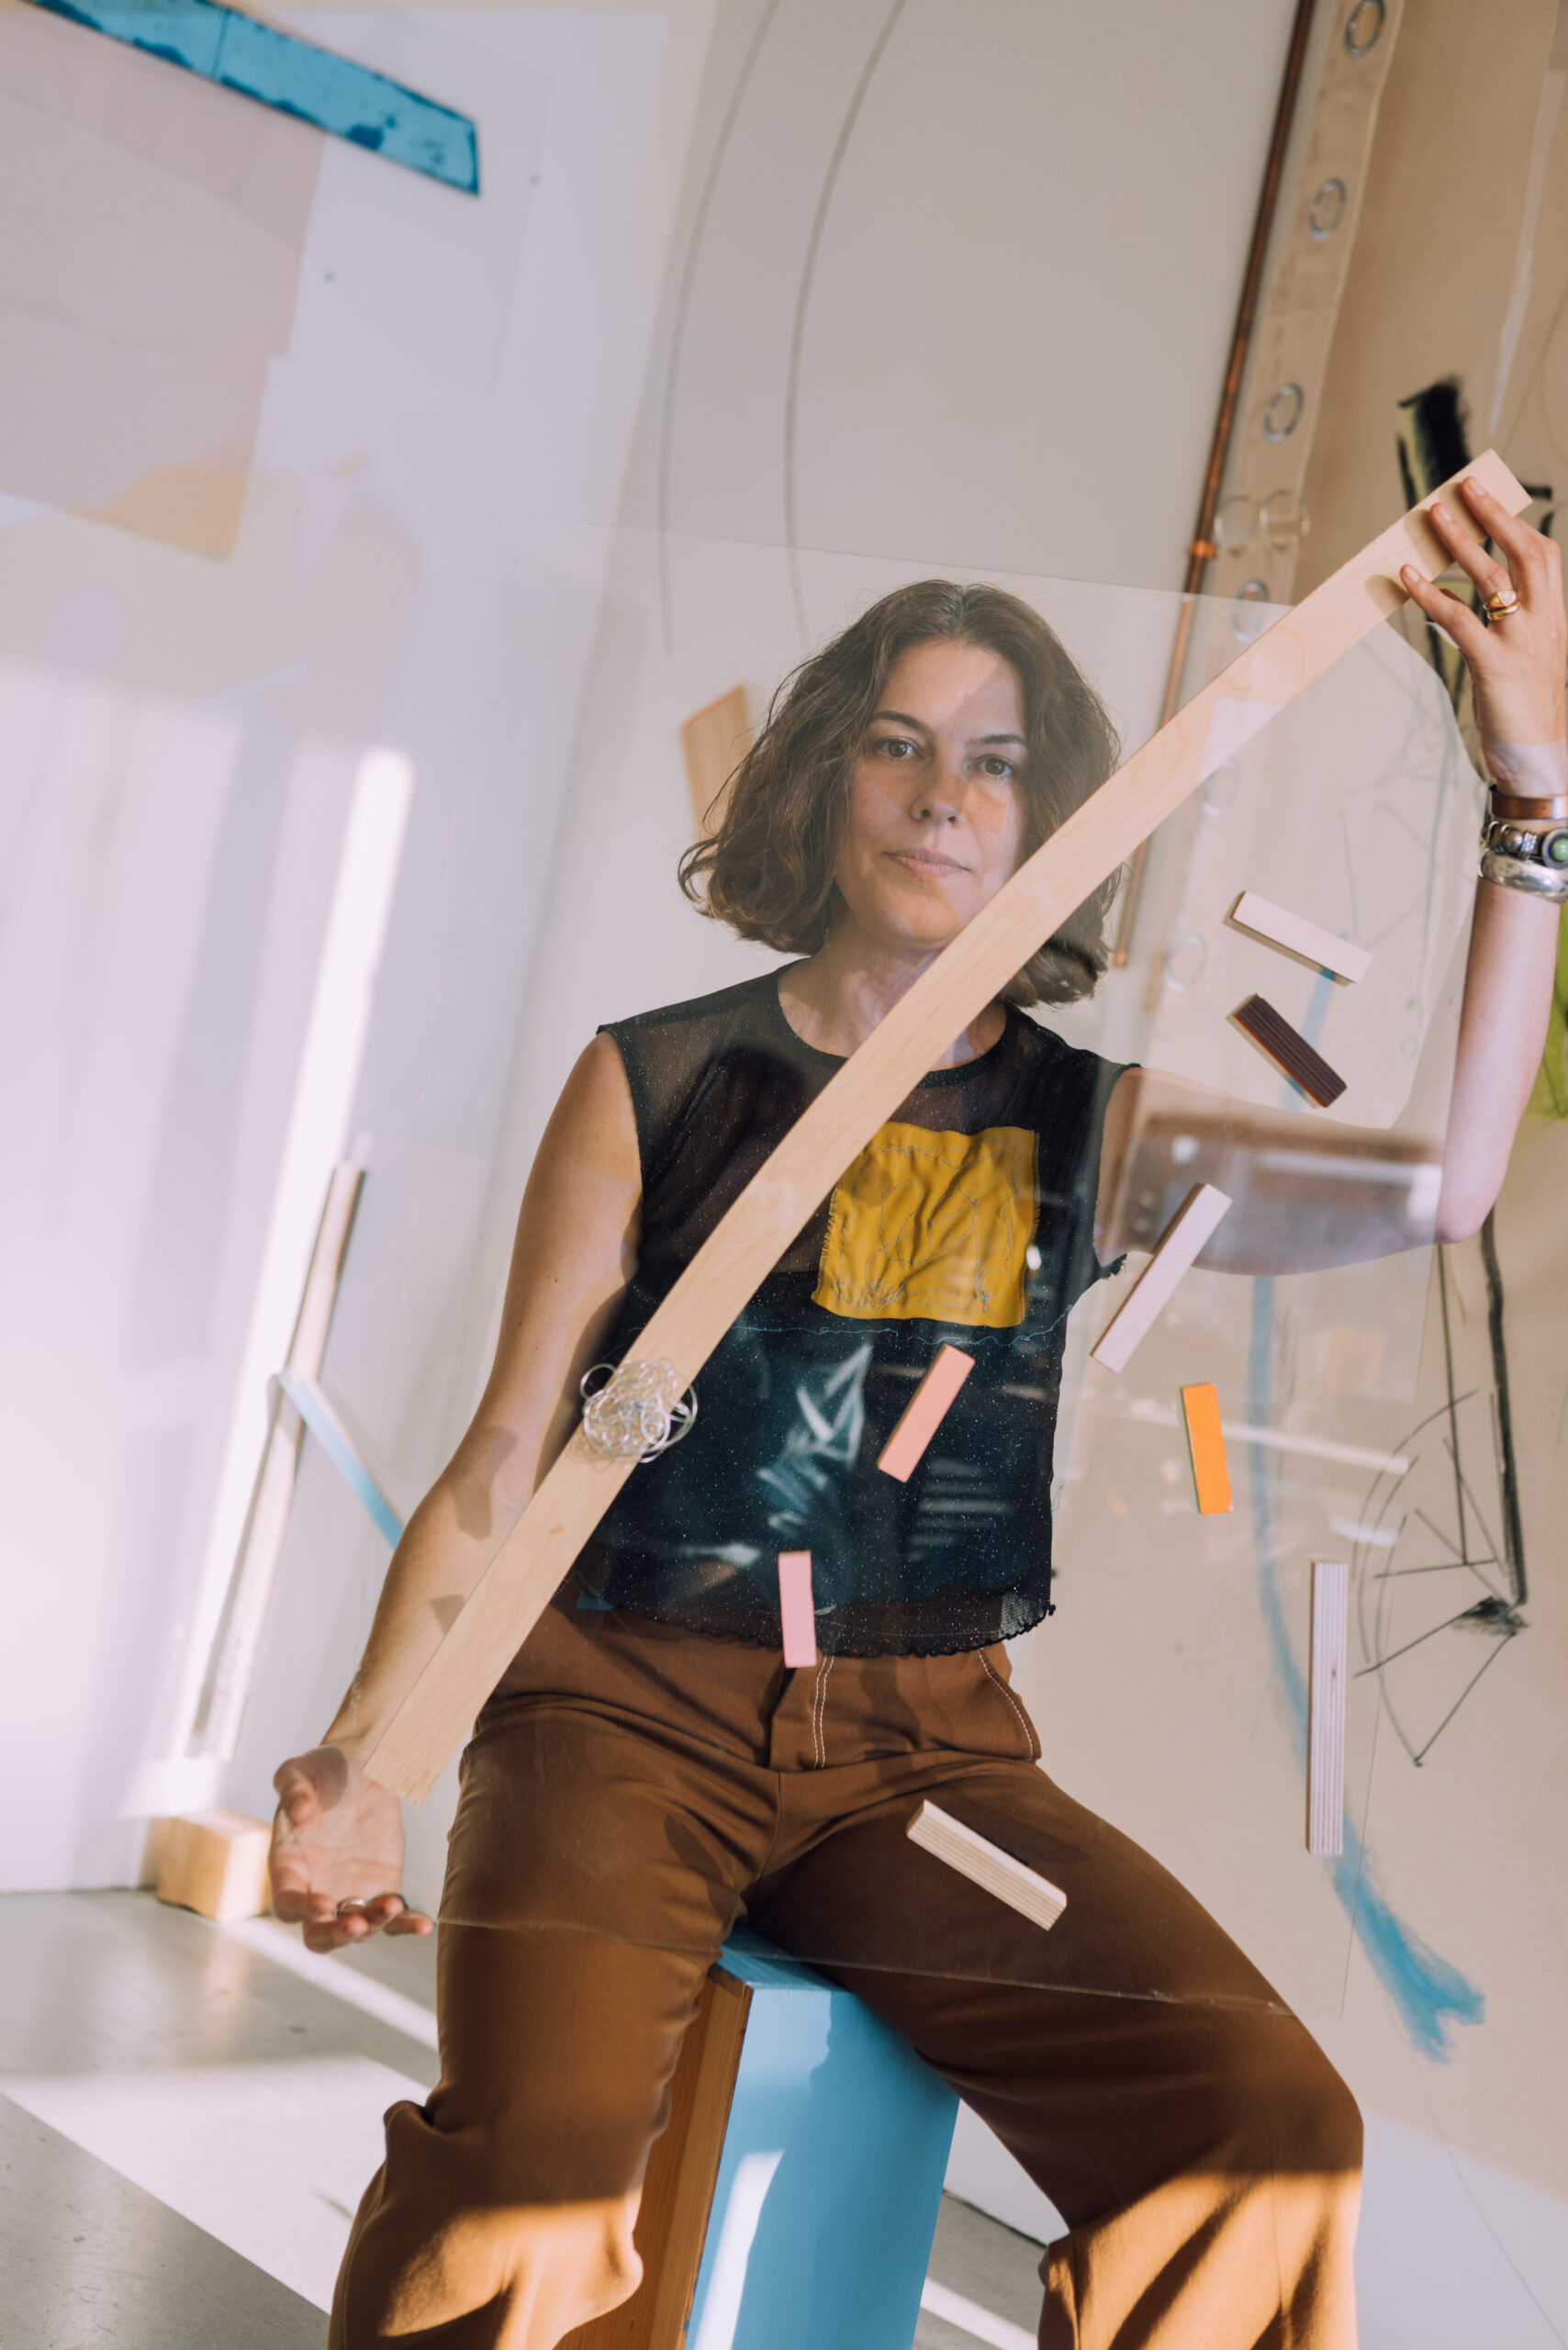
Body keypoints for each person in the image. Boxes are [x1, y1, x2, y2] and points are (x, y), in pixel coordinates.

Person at [270, 478, 1565, 2349]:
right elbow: (500, 1466)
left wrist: (1532, 790)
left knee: (1268, 2132)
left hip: (923, 1770)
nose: (943, 794)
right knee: (533, 2173)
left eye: (994, 761)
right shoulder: (655, 1080)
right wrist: (363, 1757)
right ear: (825, 785)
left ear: (1049, 820)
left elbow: (1441, 1185)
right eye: (896, 744)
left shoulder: (1091, 1125)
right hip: (617, 1725)